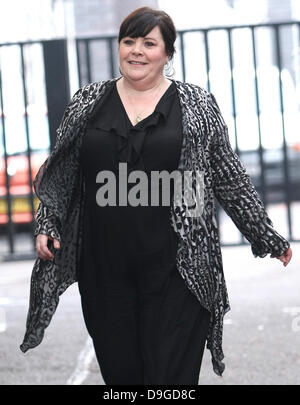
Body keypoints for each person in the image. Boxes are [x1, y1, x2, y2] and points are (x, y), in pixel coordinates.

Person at [20, 6, 292, 385]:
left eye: (149, 43)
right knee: (123, 378)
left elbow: (230, 177)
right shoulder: (87, 102)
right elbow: (63, 171)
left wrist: (265, 235)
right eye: (129, 41)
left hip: (178, 270)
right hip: (105, 269)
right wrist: (47, 223)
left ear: (167, 53)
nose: (136, 50)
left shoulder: (196, 106)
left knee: (170, 379)